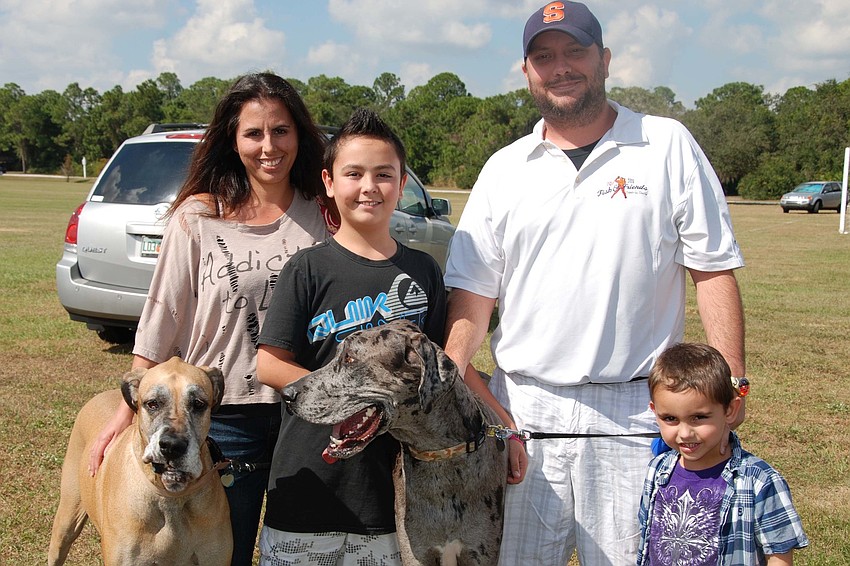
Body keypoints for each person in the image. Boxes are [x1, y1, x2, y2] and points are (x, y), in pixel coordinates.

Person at [442, 1, 747, 565]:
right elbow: (472, 295)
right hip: (524, 413)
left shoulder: (666, 144)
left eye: (575, 51)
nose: (561, 67)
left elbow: (713, 269)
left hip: (639, 410)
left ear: (604, 59)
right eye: (544, 56)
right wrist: (460, 378)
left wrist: (733, 385)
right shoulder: (505, 168)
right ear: (527, 71)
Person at [87, 72, 332, 566]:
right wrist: (124, 413)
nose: (269, 146)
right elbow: (163, 314)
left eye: (281, 130)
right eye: (254, 133)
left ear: (300, 135)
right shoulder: (198, 216)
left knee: (307, 551)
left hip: (301, 413)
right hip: (219, 418)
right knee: (230, 554)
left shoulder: (323, 214)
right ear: (232, 140)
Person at [255, 108, 447, 565]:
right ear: (328, 181)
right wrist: (349, 398)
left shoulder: (423, 272)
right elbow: (269, 363)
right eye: (354, 173)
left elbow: (440, 370)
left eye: (384, 175)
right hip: (309, 482)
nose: (369, 187)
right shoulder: (308, 268)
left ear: (402, 185)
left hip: (394, 491)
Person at [639, 342, 808, 565]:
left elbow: (779, 554)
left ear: (730, 410)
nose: (685, 433)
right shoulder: (657, 470)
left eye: (699, 417)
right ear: (655, 412)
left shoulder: (759, 481)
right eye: (670, 419)